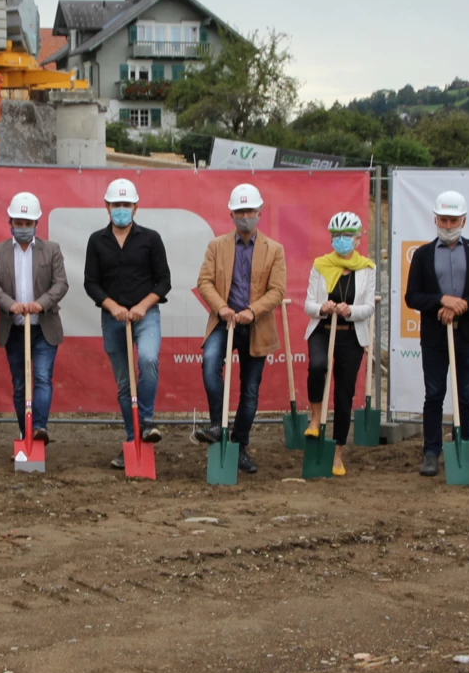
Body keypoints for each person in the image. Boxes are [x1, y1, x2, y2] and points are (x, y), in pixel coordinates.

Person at [192, 183, 288, 474]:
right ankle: (219, 427)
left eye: (249, 211)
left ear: (260, 212)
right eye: (239, 211)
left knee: (249, 389)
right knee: (210, 364)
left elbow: (277, 290)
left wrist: (251, 311)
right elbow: (204, 281)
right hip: (224, 321)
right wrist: (222, 307)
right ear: (231, 214)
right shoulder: (217, 246)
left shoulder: (275, 250)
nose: (245, 216)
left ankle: (240, 444)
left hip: (256, 325)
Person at [403, 191, 469, 477]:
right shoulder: (422, 255)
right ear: (435, 219)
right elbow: (412, 297)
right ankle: (431, 452)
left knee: (465, 395)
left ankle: (462, 445)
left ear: (464, 220)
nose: (448, 225)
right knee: (434, 394)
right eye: (443, 219)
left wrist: (463, 306)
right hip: (435, 336)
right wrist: (441, 301)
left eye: (453, 220)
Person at [84, 177, 172, 469]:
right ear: (106, 207)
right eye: (116, 204)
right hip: (112, 319)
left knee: (147, 361)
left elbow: (164, 281)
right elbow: (91, 283)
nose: (121, 209)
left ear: (136, 207)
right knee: (124, 383)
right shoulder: (97, 241)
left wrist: (142, 307)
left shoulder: (151, 239)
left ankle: (145, 422)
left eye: (126, 204)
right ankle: (133, 438)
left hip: (146, 317)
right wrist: (114, 307)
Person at [0, 192, 69, 442]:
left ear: (36, 224)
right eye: (18, 223)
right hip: (14, 328)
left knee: (42, 378)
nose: (22, 228)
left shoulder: (51, 250)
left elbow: (60, 284)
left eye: (27, 223)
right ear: (10, 221)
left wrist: (40, 305)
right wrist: (11, 305)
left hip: (44, 327)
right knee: (20, 384)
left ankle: (40, 428)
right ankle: (25, 432)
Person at [303, 211, 377, 477]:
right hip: (322, 329)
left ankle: (337, 453)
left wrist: (350, 310)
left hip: (351, 334)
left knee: (344, 394)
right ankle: (314, 418)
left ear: (358, 238)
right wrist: (322, 307)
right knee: (318, 366)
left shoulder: (367, 269)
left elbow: (368, 307)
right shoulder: (320, 264)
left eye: (347, 235)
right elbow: (308, 304)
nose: (341, 240)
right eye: (336, 236)